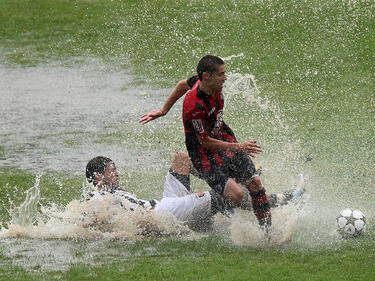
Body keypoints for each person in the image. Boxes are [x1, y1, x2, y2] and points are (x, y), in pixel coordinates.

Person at [139, 55, 272, 229]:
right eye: (221, 74)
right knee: (237, 195)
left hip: (223, 138)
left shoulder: (200, 81)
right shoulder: (194, 105)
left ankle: (268, 232)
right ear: (207, 76)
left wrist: (164, 110)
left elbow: (181, 85)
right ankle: (218, 186)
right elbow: (204, 142)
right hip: (204, 154)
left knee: (255, 183)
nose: (225, 78)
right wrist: (238, 147)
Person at [85, 153, 303, 231]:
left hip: (163, 205)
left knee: (182, 159)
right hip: (162, 214)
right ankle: (281, 200)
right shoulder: (97, 197)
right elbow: (93, 219)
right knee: (221, 196)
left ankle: (230, 180)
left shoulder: (112, 191)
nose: (117, 173)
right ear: (97, 178)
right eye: (111, 171)